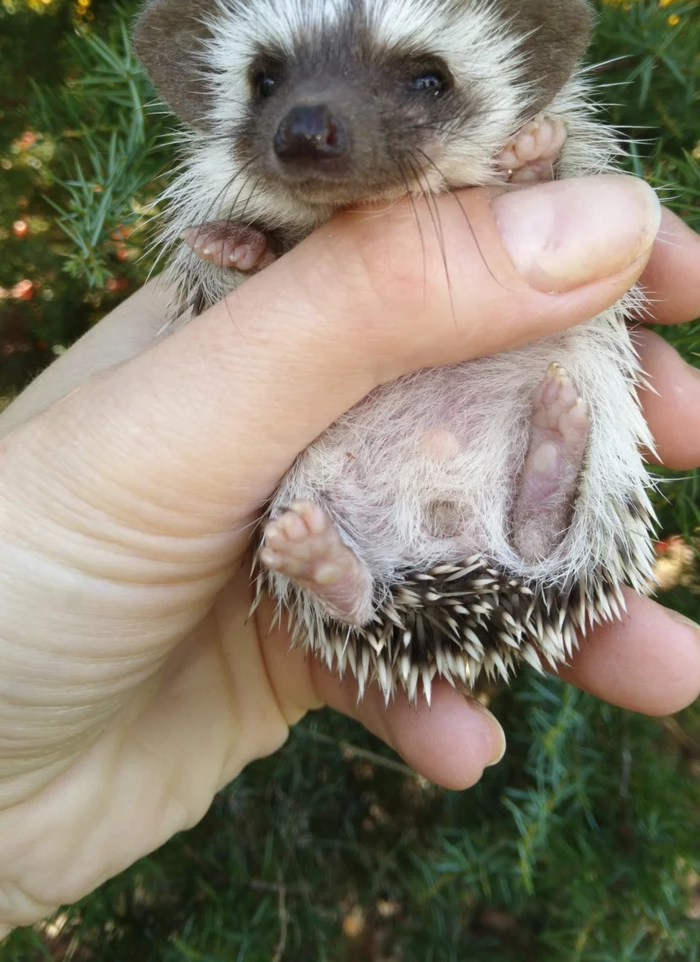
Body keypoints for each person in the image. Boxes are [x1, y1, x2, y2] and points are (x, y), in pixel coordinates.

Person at [0, 175, 698, 936]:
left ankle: (411, 560)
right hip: (410, 488)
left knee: (334, 494)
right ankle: (404, 563)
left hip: (437, 459)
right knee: (320, 476)